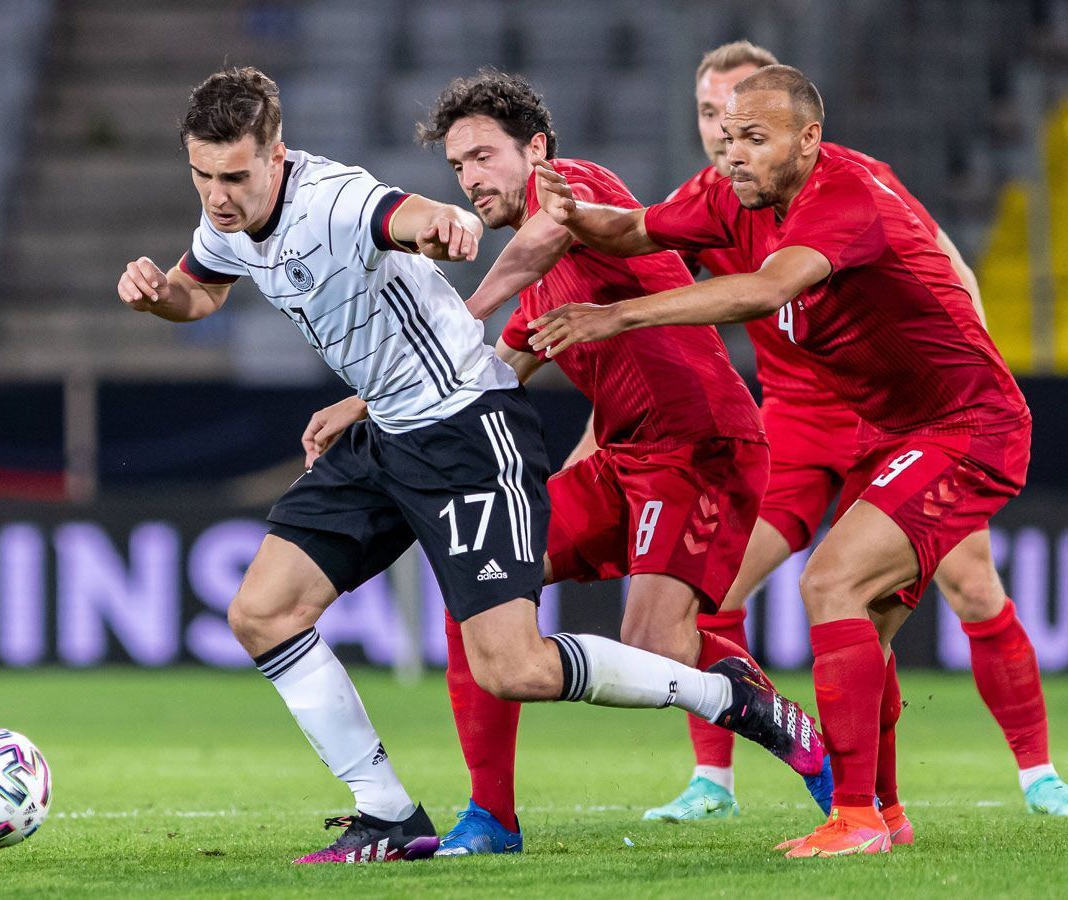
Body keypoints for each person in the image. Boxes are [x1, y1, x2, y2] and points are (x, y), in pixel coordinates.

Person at [117, 66, 826, 865]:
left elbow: (425, 221)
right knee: (266, 612)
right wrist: (158, 297)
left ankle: (739, 704)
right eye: (459, 165)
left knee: (561, 654)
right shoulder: (227, 221)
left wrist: (443, 228)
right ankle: (412, 816)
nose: (217, 194)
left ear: (277, 155)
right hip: (429, 435)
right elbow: (201, 292)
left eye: (485, 157)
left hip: (669, 446)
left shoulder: (537, 188)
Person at [531, 65, 1034, 857]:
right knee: (865, 618)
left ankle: (861, 816)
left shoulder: (847, 196)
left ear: (808, 139)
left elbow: (766, 291)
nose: (734, 156)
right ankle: (884, 814)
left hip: (967, 426)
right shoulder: (728, 189)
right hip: (891, 431)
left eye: (754, 140)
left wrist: (616, 315)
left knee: (830, 581)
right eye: (728, 137)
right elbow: (636, 230)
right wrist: (573, 214)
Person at [642, 40, 1065, 826]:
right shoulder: (713, 198)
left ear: (791, 121)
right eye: (709, 117)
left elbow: (945, 270)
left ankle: (1039, 774)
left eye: (741, 121)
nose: (723, 135)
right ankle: (721, 778)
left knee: (965, 586)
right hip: (797, 427)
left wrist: (963, 376)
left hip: (908, 420)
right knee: (718, 590)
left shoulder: (849, 181)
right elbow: (653, 282)